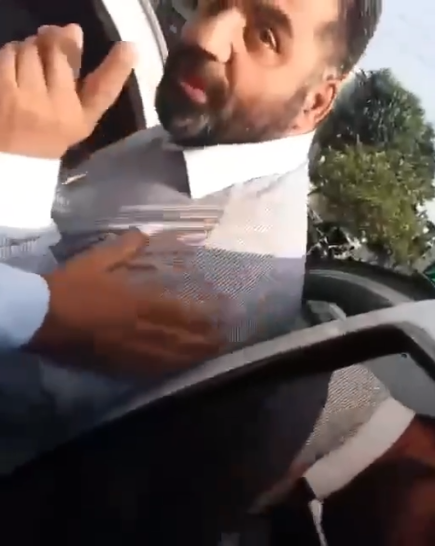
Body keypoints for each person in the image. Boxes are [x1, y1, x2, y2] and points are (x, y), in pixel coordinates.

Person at [0, 1, 382, 472]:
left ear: (316, 102)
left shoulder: (224, 270)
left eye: (265, 36)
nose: (206, 37)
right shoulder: (212, 127)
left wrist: (19, 167)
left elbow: (16, 393)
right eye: (215, 3)